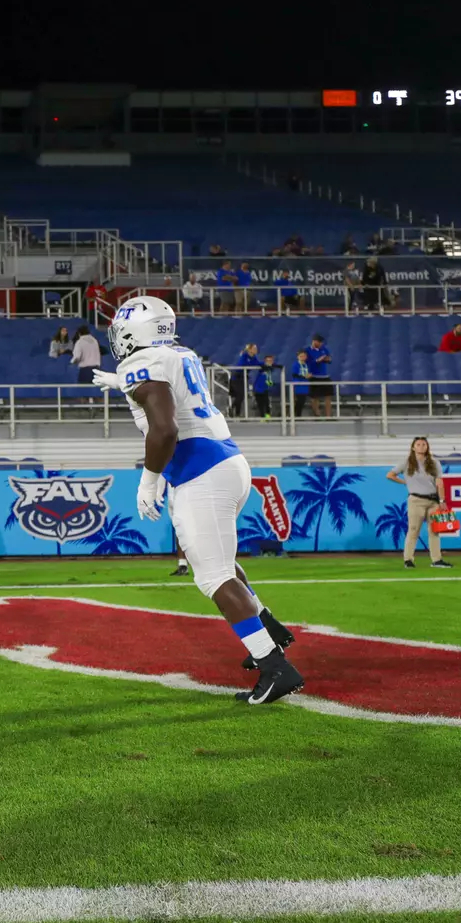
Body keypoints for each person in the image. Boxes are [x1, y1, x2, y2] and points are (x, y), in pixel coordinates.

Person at [93, 296, 302, 703]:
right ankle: (268, 626)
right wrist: (121, 383)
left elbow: (165, 428)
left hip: (199, 472)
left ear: (135, 332)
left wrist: (148, 479)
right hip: (227, 461)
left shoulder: (140, 364)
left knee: (212, 576)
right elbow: (171, 395)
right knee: (221, 565)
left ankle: (273, 665)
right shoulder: (179, 353)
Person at [386, 436, 453, 570]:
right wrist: (405, 482)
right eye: (418, 444)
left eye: (424, 444)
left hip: (433, 500)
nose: (421, 446)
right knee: (413, 530)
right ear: (413, 447)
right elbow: (390, 475)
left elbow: (439, 482)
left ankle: (436, 559)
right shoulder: (407, 462)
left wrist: (442, 500)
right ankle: (408, 559)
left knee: (434, 531)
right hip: (416, 500)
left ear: (427, 447)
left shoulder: (434, 463)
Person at [306, 333, 333, 418]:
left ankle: (328, 416)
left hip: (325, 376)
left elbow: (329, 358)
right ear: (314, 341)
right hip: (314, 376)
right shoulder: (307, 350)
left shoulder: (323, 349)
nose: (321, 344)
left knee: (328, 396)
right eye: (319, 342)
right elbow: (309, 363)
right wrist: (318, 360)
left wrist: (327, 359)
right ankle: (317, 415)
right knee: (314, 397)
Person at [230, 342, 258, 418]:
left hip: (243, 378)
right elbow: (241, 365)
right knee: (240, 395)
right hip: (236, 378)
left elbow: (258, 363)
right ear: (249, 350)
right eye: (254, 348)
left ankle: (236, 412)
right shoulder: (244, 356)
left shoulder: (254, 357)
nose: (256, 350)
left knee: (242, 396)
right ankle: (233, 409)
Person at [252, 354, 277, 420]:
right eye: (267, 361)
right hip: (257, 389)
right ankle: (262, 417)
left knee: (266, 403)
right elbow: (261, 365)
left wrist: (272, 384)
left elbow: (272, 368)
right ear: (265, 361)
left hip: (265, 389)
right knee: (260, 405)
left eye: (270, 361)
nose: (269, 362)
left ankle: (267, 417)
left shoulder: (270, 369)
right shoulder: (262, 368)